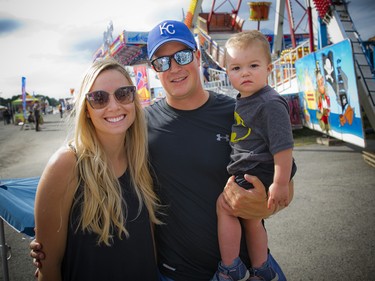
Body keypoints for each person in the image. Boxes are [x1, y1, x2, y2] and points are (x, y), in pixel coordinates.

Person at [30, 20, 294, 281]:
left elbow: (284, 181)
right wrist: (49, 252)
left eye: (182, 56)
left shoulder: (238, 112)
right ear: (154, 69)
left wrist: (263, 206)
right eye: (163, 61)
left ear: (198, 56)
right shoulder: (140, 126)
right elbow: (99, 157)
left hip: (246, 270)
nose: (174, 68)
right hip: (174, 273)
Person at [33, 57, 161, 281]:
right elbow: (49, 266)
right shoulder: (66, 165)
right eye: (99, 98)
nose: (114, 106)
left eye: (123, 93)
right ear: (86, 110)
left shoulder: (140, 157)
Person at [211, 30, 297, 281]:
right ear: (228, 72)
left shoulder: (269, 102)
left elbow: (283, 147)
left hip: (258, 167)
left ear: (269, 68)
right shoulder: (245, 100)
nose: (245, 72)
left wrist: (280, 184)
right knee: (251, 219)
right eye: (236, 67)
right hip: (254, 165)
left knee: (224, 207)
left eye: (253, 65)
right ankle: (261, 267)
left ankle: (230, 268)